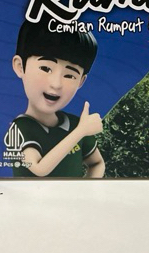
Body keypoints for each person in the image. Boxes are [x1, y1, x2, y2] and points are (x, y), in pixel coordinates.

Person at [7, 18, 105, 178]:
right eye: (46, 68)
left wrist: (88, 188)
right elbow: (39, 168)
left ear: (81, 81)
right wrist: (81, 131)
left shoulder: (75, 124)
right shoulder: (20, 128)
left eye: (69, 75)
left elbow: (97, 163)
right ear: (20, 66)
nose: (56, 84)